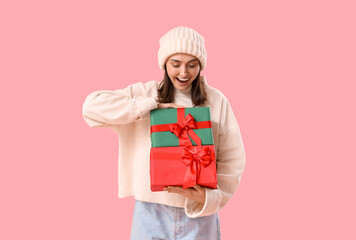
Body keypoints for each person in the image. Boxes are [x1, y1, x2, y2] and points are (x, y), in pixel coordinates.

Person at [82, 26, 246, 240]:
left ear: (201, 65)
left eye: (192, 65)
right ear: (164, 63)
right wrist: (150, 106)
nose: (184, 73)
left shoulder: (217, 100)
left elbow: (233, 159)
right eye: (175, 64)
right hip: (150, 212)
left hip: (199, 213)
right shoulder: (145, 93)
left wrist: (210, 197)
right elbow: (91, 108)